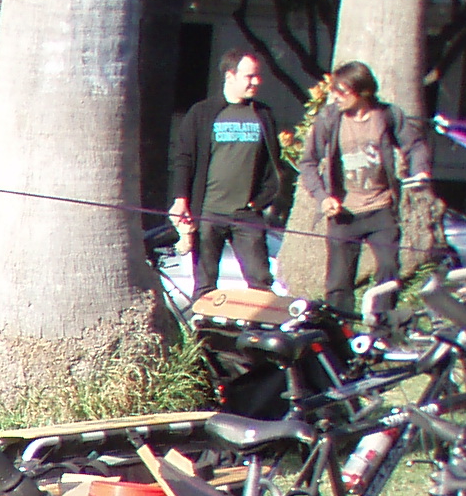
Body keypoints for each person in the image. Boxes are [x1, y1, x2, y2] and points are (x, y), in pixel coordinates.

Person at [300, 61, 425, 320]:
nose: (335, 97)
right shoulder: (329, 119)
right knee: (338, 283)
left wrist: (420, 170)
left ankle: (382, 331)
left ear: (363, 92)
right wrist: (323, 198)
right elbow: (308, 163)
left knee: (389, 270)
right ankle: (340, 336)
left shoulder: (389, 115)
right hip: (344, 213)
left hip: (381, 209)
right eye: (334, 90)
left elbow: (416, 145)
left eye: (342, 92)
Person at [170, 49, 285, 297]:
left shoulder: (263, 114)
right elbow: (184, 158)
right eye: (249, 76)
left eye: (258, 76)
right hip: (208, 212)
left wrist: (262, 200)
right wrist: (182, 200)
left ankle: (256, 329)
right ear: (230, 75)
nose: (256, 82)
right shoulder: (202, 112)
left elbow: (272, 164)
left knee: (261, 281)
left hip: (246, 214)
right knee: (206, 284)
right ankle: (207, 333)